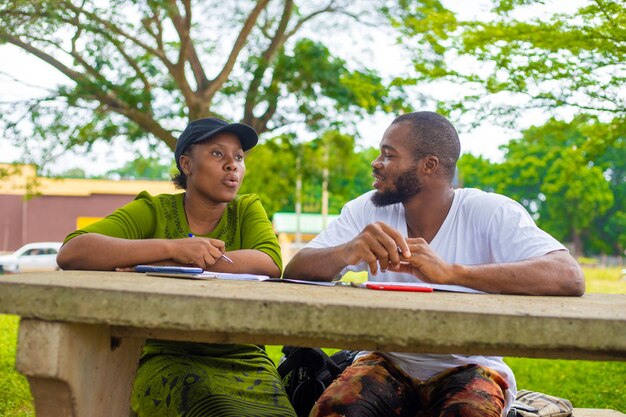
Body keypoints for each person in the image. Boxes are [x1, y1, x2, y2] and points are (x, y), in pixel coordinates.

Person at [283, 111, 585, 417]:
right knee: (335, 411)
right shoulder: (367, 209)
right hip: (385, 361)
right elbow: (295, 271)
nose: (376, 162)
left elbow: (568, 276)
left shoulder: (490, 212)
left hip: (472, 366)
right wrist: (346, 251)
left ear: (429, 165)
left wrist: (453, 273)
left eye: (388, 155)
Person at [57, 117, 297, 417]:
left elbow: (269, 263)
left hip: (244, 357)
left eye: (238, 157)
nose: (232, 165)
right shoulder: (154, 210)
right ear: (186, 164)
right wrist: (173, 247)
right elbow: (73, 251)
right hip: (166, 355)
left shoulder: (246, 209)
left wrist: (162, 263)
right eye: (217, 154)